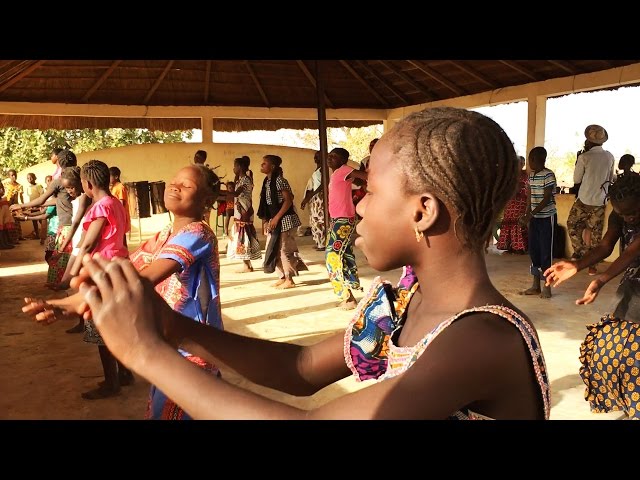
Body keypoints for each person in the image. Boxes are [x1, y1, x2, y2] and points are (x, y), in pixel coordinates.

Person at [65, 106, 549, 420]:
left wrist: (145, 352)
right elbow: (298, 369)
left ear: (422, 212)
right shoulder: (401, 304)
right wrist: (170, 326)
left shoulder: (483, 340)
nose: (356, 206)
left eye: (370, 192)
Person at [23, 164, 224, 417]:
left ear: (206, 201)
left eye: (187, 185)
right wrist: (72, 300)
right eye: (174, 180)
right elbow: (132, 267)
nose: (175, 186)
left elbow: (143, 278)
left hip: (192, 347)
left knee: (178, 408)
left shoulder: (198, 232)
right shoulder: (164, 234)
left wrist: (81, 301)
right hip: (171, 342)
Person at [544, 173, 640, 419]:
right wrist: (577, 265)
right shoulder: (618, 214)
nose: (629, 218)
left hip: (632, 274)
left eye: (634, 213)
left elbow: (631, 252)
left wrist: (602, 279)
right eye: (623, 214)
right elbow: (606, 246)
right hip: (635, 281)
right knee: (615, 348)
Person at [10, 149, 78, 286]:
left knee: (62, 254)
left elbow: (42, 199)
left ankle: (61, 282)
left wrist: (22, 205)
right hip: (78, 221)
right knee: (71, 254)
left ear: (59, 162)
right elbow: (58, 201)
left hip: (65, 224)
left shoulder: (59, 181)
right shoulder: (78, 179)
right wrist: (29, 209)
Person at [566, 125, 615, 275]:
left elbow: (576, 179)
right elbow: (611, 178)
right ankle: (592, 266)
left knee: (573, 225)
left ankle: (581, 252)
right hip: (600, 201)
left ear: (588, 141)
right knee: (595, 235)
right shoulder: (609, 156)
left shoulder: (584, 157)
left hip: (584, 200)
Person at [325, 147, 368, 309]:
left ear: (343, 160)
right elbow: (359, 181)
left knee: (332, 256)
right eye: (329, 156)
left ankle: (347, 296)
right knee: (344, 254)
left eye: (334, 156)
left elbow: (365, 177)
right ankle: (350, 291)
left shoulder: (345, 169)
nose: (330, 158)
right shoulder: (339, 173)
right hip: (338, 219)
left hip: (343, 220)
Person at [257, 154, 308, 289]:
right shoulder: (266, 182)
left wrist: (276, 218)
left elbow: (288, 201)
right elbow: (266, 204)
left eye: (264, 163)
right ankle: (281, 276)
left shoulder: (280, 181)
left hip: (284, 219)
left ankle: (289, 278)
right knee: (272, 248)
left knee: (283, 249)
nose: (261, 165)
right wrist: (266, 221)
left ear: (272, 166)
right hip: (274, 220)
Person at [520, 147, 557, 299]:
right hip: (534, 219)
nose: (529, 163)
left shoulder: (548, 175)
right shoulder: (531, 176)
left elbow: (547, 198)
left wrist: (531, 214)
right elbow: (529, 196)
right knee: (534, 251)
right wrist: (527, 213)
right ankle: (536, 285)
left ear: (537, 160)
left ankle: (547, 287)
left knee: (546, 253)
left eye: (530, 160)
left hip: (547, 218)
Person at [227, 156, 261, 272]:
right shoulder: (240, 179)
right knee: (242, 236)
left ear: (240, 167)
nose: (233, 169)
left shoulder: (245, 180)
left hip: (244, 212)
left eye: (235, 166)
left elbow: (236, 193)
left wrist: (217, 192)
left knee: (243, 236)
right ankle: (247, 264)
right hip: (240, 212)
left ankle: (247, 265)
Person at [496, 155, 529, 254]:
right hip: (510, 201)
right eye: (518, 163)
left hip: (520, 201)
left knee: (518, 223)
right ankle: (509, 246)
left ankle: (519, 247)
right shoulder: (510, 175)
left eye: (522, 163)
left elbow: (526, 187)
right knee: (508, 222)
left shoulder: (525, 175)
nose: (520, 165)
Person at [300, 151, 325, 251]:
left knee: (320, 220)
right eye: (315, 157)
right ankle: (319, 242)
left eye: (318, 157)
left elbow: (322, 185)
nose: (316, 158)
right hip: (315, 198)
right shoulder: (317, 170)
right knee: (314, 220)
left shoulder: (323, 170)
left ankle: (322, 244)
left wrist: (311, 195)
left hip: (319, 197)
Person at [109, 166, 131, 247]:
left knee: (122, 236)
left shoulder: (120, 187)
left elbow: (121, 203)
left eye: (110, 177)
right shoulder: (114, 187)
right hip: (116, 216)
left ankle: (125, 254)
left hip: (120, 216)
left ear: (116, 177)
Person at [25, 173, 44, 239]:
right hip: (32, 206)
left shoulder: (38, 186)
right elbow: (30, 197)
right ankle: (37, 234)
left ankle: (45, 233)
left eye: (31, 177)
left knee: (41, 220)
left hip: (38, 206)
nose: (29, 179)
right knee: (34, 221)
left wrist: (39, 205)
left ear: (35, 178)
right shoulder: (28, 188)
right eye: (28, 178)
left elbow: (42, 195)